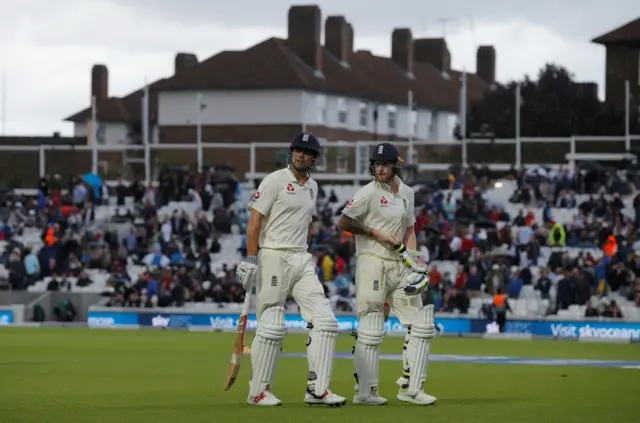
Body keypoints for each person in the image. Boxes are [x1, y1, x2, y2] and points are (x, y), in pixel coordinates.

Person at [235, 132, 346, 407]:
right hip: (273, 255)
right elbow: (254, 221)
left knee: (326, 321)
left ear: (314, 159)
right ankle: (258, 391)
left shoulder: (313, 187)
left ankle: (317, 390)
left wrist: (305, 250)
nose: (301, 155)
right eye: (297, 150)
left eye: (307, 152)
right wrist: (251, 259)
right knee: (272, 325)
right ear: (291, 153)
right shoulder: (274, 181)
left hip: (301, 258)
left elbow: (307, 222)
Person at [338, 142, 436, 406]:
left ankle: (411, 388)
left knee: (422, 325)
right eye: (377, 164)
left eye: (385, 164)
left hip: (400, 265)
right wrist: (374, 232)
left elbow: (409, 230)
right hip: (372, 261)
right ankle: (365, 391)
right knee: (371, 327)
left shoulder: (407, 193)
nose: (380, 169)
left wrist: (415, 263)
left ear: (396, 165)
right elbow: (344, 221)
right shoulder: (367, 192)